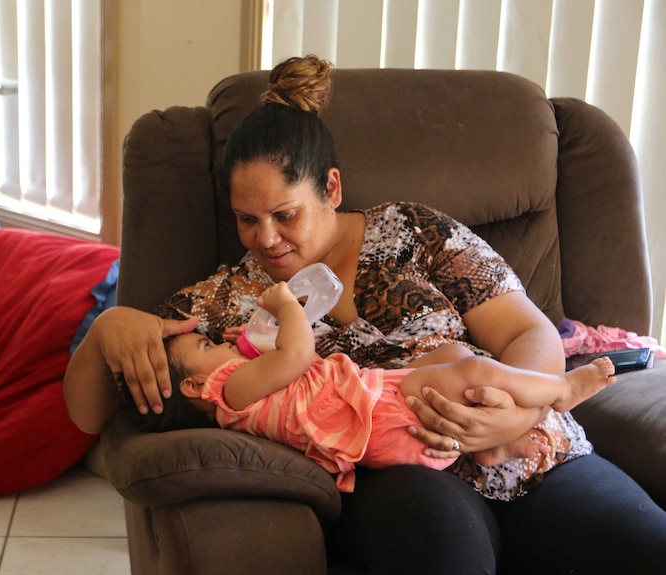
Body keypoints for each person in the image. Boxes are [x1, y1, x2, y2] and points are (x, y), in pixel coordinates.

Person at [64, 55, 666, 573]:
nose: (266, 240)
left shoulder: (412, 230)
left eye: (285, 214)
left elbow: (529, 331)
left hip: (530, 445)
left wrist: (512, 414)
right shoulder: (229, 298)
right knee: (442, 550)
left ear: (330, 187)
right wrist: (108, 330)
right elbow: (90, 417)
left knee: (643, 545)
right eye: (246, 220)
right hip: (401, 471)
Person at [129, 280, 617, 496]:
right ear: (195, 385)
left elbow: (285, 366)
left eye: (285, 213)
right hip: (378, 419)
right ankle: (558, 389)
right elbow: (297, 356)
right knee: (474, 375)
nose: (218, 341)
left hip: (369, 399)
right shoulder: (226, 392)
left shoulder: (233, 385)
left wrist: (253, 345)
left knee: (452, 357)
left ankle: (502, 438)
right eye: (207, 345)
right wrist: (285, 308)